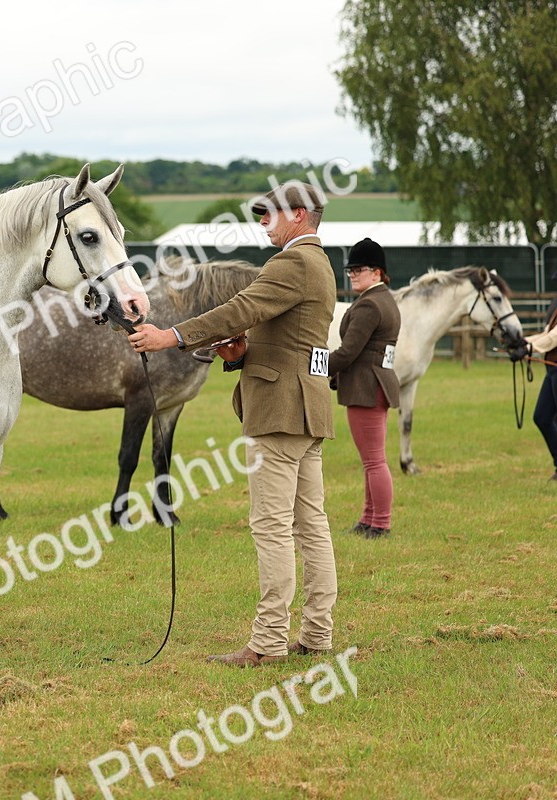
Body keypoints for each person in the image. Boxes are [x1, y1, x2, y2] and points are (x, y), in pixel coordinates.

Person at [127, 180, 337, 667]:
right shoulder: (321, 264)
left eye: (271, 214)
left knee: (271, 527)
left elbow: (240, 309)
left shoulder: (291, 263)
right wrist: (243, 353)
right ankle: (317, 633)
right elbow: (291, 338)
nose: (263, 222)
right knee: (311, 526)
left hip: (280, 411)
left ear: (300, 214)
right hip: (307, 408)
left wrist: (171, 336)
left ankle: (266, 644)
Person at [329, 238, 400, 539]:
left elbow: (347, 352)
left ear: (377, 272)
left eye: (359, 269)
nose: (353, 274)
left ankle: (380, 523)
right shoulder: (384, 299)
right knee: (372, 459)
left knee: (374, 461)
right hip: (376, 384)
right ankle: (368, 519)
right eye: (350, 270)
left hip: (366, 387)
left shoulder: (370, 304)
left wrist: (314, 367)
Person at [525, 293, 557, 479]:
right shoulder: (555, 309)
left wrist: (529, 349)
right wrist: (522, 342)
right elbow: (546, 335)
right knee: (542, 416)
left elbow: (554, 338)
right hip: (552, 370)